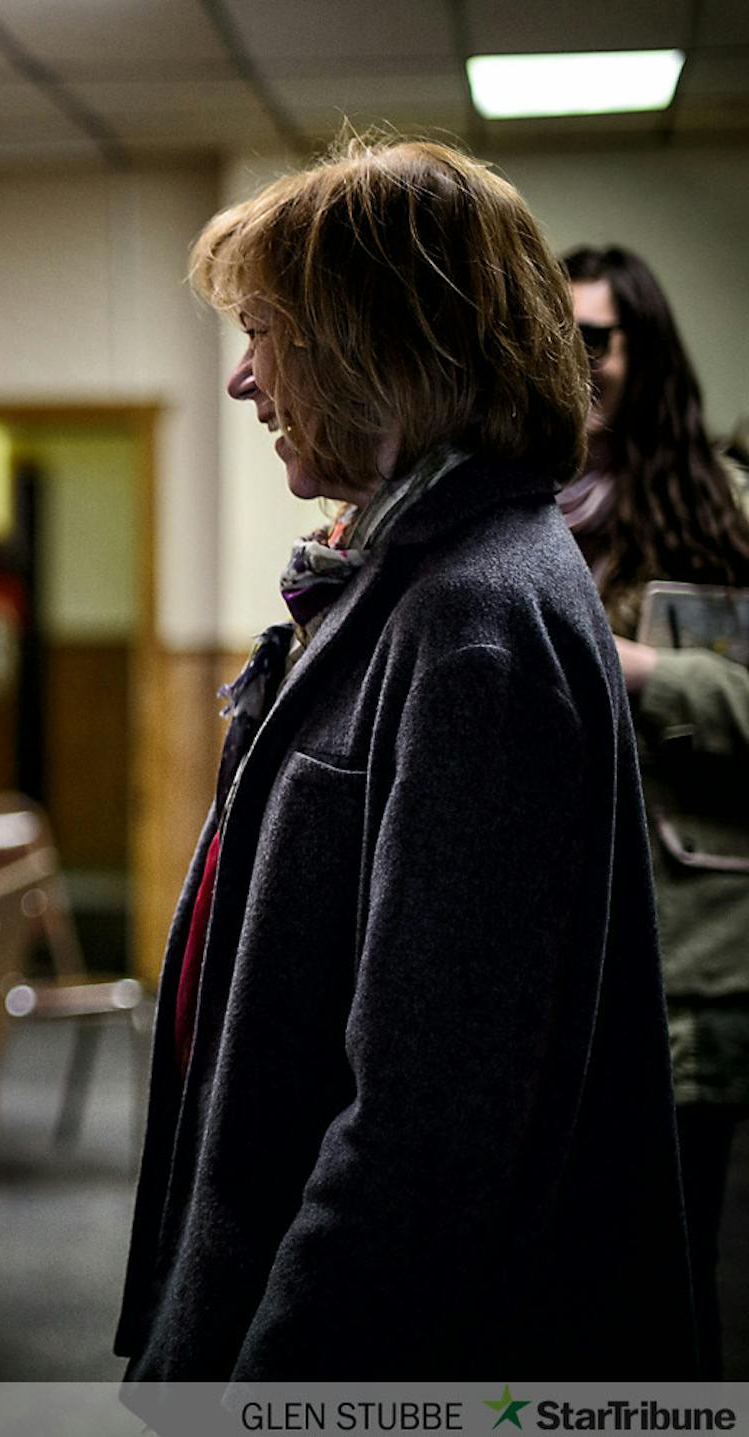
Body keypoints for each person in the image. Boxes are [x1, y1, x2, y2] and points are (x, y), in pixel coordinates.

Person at [116, 138, 697, 1385]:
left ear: (381, 347)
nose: (241, 380)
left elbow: (424, 1138)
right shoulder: (408, 573)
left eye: (267, 333)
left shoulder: (471, 621)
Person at [560, 244, 749, 1376]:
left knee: (670, 1283)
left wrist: (640, 672)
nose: (580, 363)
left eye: (602, 339)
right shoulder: (525, 502)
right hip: (558, 949)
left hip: (688, 953)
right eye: (563, 336)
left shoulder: (719, 513)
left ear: (647, 353)